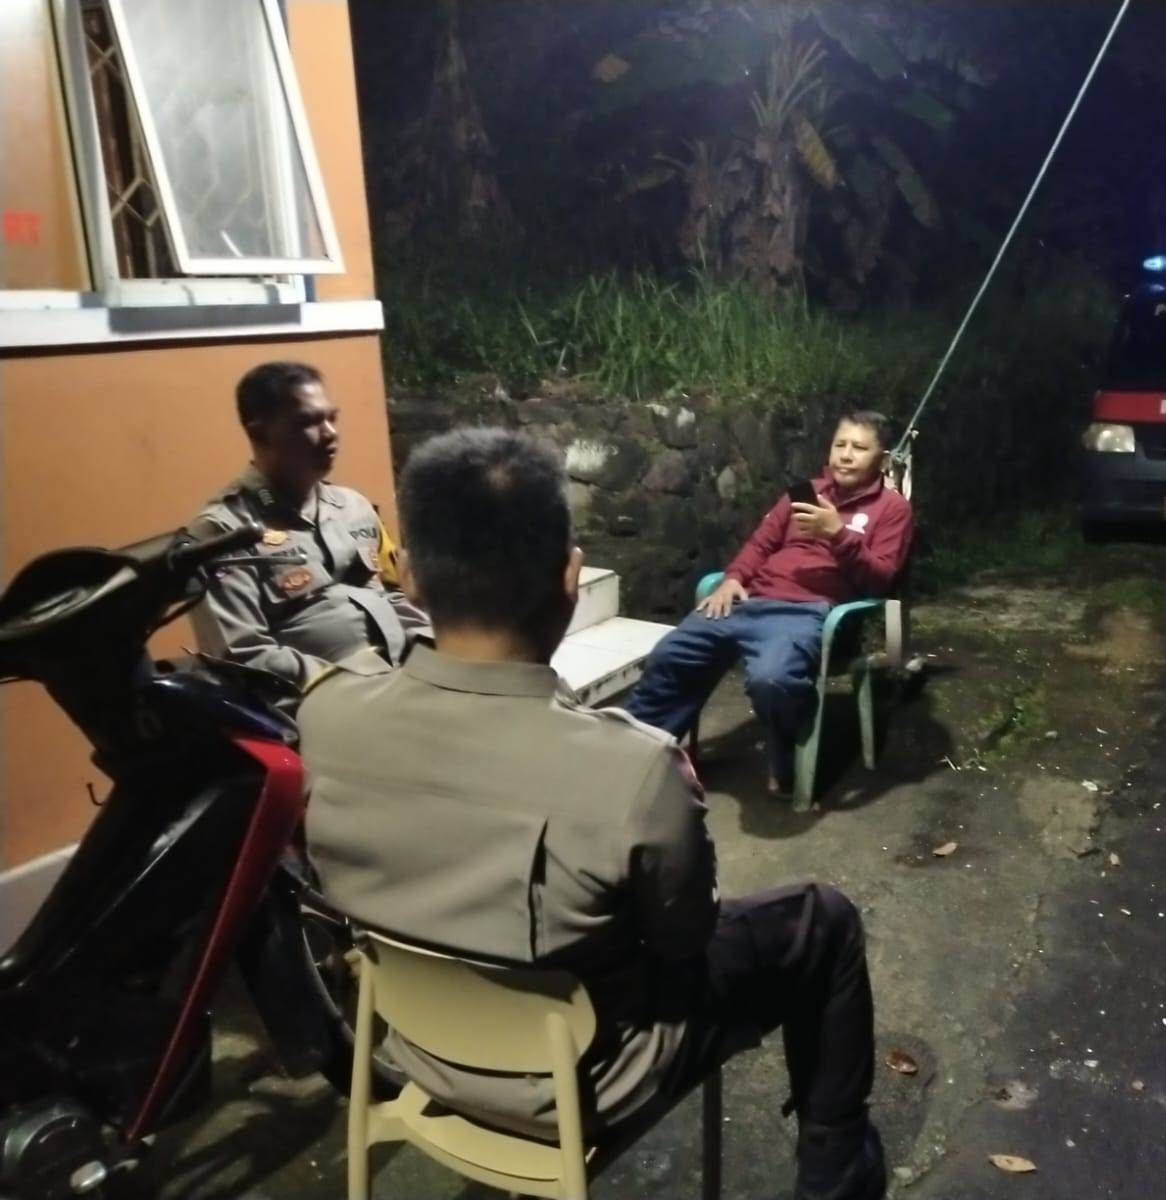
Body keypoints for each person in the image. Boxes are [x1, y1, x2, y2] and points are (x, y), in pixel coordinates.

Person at [301, 427, 885, 1200]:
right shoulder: (634, 769)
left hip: (413, 1054)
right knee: (821, 920)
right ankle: (839, 1175)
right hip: (583, 1081)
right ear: (571, 578)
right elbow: (684, 941)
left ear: (406, 578)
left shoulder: (325, 715)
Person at [625, 410, 913, 793]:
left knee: (773, 679)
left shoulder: (892, 509)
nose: (845, 455)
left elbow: (881, 580)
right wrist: (733, 578)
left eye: (859, 448)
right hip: (750, 599)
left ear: (883, 458)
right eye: (839, 444)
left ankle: (786, 752)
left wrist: (837, 534)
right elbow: (761, 544)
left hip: (808, 613)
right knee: (670, 655)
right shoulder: (804, 494)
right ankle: (639, 753)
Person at [189, 361, 428, 695]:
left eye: (331, 418)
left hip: (403, 683)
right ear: (259, 433)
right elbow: (242, 655)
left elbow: (395, 595)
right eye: (308, 422)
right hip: (320, 702)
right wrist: (356, 683)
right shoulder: (223, 532)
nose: (330, 433)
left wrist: (440, 650)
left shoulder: (354, 507)